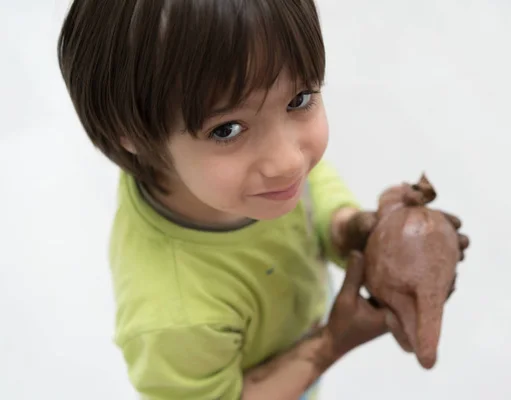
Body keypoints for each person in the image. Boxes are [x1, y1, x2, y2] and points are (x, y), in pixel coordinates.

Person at [57, 1, 467, 399]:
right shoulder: (174, 317)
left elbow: (314, 184)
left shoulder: (226, 177)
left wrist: (349, 229)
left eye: (300, 100)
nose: (289, 161)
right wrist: (329, 344)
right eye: (227, 129)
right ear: (130, 135)